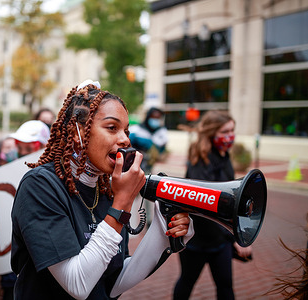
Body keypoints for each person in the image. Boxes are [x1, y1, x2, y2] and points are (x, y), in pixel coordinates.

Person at [11, 80, 194, 299]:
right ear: (78, 131)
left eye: (126, 131)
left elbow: (115, 280)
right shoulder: (41, 186)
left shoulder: (105, 189)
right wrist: (122, 204)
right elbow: (76, 284)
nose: (125, 139)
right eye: (111, 128)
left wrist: (163, 234)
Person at [173, 110, 252, 300]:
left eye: (232, 130)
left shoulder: (224, 157)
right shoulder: (200, 162)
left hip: (220, 241)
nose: (230, 136)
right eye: (225, 131)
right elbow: (209, 205)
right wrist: (235, 236)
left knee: (225, 286)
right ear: (211, 133)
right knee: (186, 282)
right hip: (197, 241)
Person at [0, 120, 49, 299]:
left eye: (30, 148)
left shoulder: (56, 177)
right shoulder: (1, 172)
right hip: (8, 268)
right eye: (20, 147)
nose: (23, 153)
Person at [129, 107, 168, 174]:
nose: (155, 120)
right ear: (148, 117)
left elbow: (162, 149)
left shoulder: (162, 132)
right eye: (153, 117)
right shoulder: (136, 130)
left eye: (158, 118)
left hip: (148, 165)